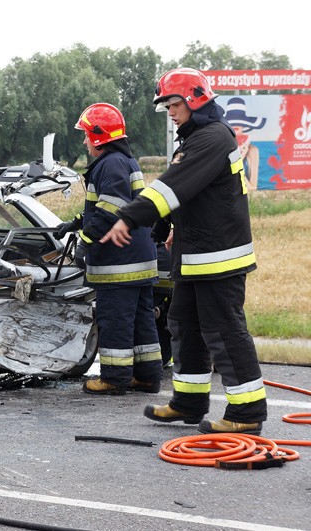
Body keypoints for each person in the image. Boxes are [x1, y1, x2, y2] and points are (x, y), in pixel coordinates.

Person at [101, 68, 266, 435]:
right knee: (185, 326)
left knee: (223, 330)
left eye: (174, 104)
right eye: (167, 106)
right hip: (196, 255)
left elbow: (171, 187)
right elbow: (187, 196)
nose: (171, 112)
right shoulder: (196, 139)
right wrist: (164, 227)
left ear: (195, 99)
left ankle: (247, 411)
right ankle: (188, 402)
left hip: (218, 257)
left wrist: (129, 218)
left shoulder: (211, 138)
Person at [56, 103, 162, 396]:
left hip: (119, 263)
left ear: (100, 136)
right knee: (141, 322)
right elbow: (114, 206)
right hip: (139, 261)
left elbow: (110, 211)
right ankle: (148, 376)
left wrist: (84, 242)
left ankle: (114, 379)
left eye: (87, 135)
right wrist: (76, 222)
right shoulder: (125, 161)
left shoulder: (110, 164)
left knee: (115, 320)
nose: (84, 141)